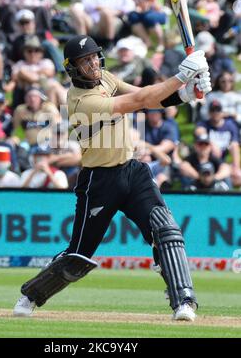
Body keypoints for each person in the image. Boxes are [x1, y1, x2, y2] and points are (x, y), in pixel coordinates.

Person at [14, 34, 212, 321]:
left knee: (165, 230)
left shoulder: (105, 77)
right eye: (85, 61)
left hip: (133, 171)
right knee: (77, 257)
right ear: (73, 69)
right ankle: (31, 294)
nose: (93, 64)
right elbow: (139, 100)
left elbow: (148, 96)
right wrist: (182, 74)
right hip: (99, 181)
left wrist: (185, 93)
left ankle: (183, 300)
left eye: (94, 57)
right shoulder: (82, 102)